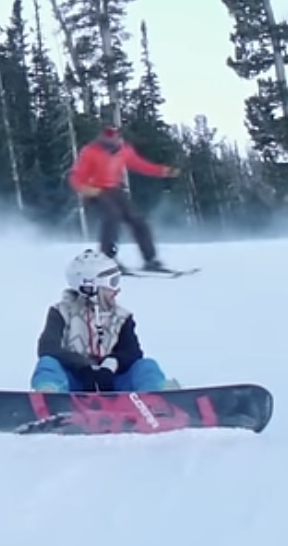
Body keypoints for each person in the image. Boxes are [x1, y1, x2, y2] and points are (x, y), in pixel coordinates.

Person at [30, 249, 181, 393]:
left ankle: (158, 396)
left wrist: (110, 365)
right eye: (113, 282)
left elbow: (132, 351)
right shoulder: (61, 312)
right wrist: (83, 366)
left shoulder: (121, 317)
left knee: (147, 366)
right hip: (74, 382)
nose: (117, 290)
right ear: (90, 288)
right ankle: (48, 396)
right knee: (48, 363)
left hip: (112, 382)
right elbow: (48, 347)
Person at [67, 124, 177, 273]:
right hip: (96, 191)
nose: (110, 138)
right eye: (107, 134)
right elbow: (76, 176)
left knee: (138, 220)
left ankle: (150, 260)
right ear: (101, 136)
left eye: (114, 134)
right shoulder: (90, 151)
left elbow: (140, 165)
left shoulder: (124, 150)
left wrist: (162, 171)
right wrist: (85, 189)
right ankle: (106, 259)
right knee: (112, 216)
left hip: (114, 189)